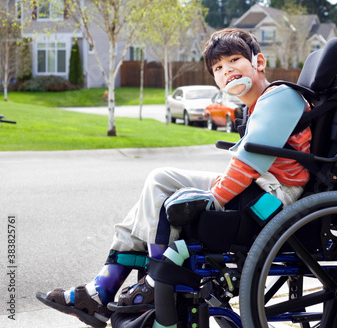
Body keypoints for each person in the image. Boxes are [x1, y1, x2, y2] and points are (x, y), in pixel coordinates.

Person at [36, 28, 312, 328]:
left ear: (258, 62)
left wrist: (212, 201)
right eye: (218, 68)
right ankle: (103, 289)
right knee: (161, 179)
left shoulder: (280, 97)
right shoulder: (257, 104)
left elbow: (248, 165)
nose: (227, 70)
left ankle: (153, 284)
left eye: (234, 60)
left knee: (173, 195)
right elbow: (249, 166)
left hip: (273, 196)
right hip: (259, 184)